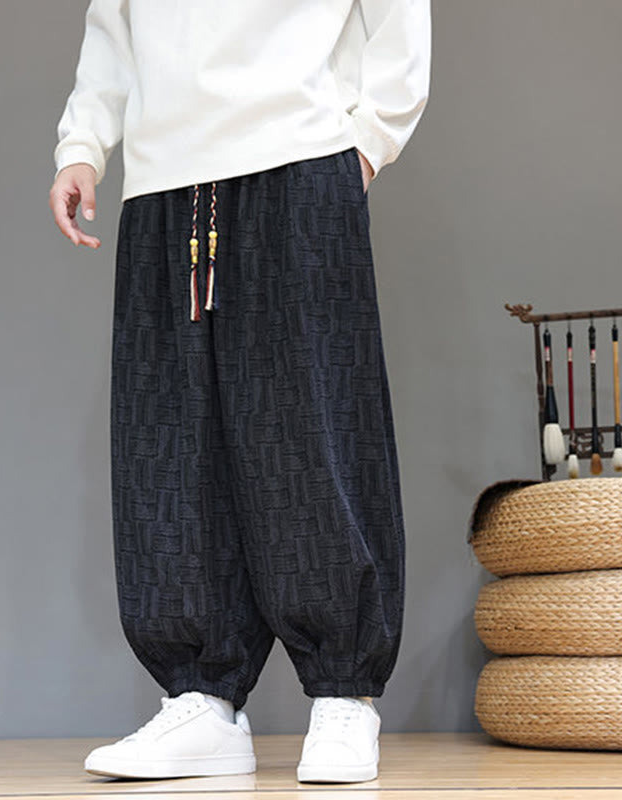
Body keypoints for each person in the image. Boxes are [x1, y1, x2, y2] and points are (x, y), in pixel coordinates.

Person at [49, 0, 431, 784]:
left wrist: (368, 144)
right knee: (172, 444)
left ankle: (344, 693)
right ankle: (202, 697)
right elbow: (114, 27)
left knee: (313, 433)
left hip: (300, 155)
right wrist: (83, 144)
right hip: (163, 179)